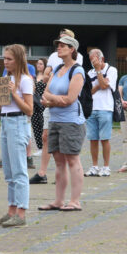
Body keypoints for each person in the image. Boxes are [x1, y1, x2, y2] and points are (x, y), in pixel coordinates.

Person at [38, 33, 85, 212]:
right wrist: (52, 99)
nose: (58, 47)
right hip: (55, 120)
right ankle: (58, 201)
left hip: (71, 121)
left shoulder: (77, 71)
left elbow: (70, 99)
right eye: (57, 45)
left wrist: (51, 99)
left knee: (73, 160)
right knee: (58, 162)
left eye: (62, 45)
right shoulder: (57, 69)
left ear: (71, 49)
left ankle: (75, 201)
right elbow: (46, 94)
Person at [0, 44, 33, 228]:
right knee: (9, 170)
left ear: (18, 60)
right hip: (6, 121)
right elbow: (1, 105)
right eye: (4, 58)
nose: (5, 62)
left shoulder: (25, 80)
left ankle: (21, 213)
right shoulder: (6, 77)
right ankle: (11, 211)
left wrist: (14, 93)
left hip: (18, 122)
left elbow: (29, 109)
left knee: (19, 170)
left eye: (9, 59)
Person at [83, 49, 117, 177]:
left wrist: (98, 73)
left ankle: (106, 166)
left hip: (105, 108)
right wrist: (98, 84)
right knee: (93, 139)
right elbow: (88, 92)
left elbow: (103, 86)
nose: (92, 62)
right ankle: (94, 166)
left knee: (105, 138)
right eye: (91, 60)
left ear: (101, 58)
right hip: (92, 108)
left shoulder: (111, 70)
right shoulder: (89, 72)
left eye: (94, 60)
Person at [31, 58, 50, 184]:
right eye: (37, 63)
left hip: (43, 103)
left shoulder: (47, 77)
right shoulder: (33, 77)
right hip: (34, 104)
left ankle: (44, 148)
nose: (39, 65)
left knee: (43, 126)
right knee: (35, 125)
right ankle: (39, 147)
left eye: (41, 63)